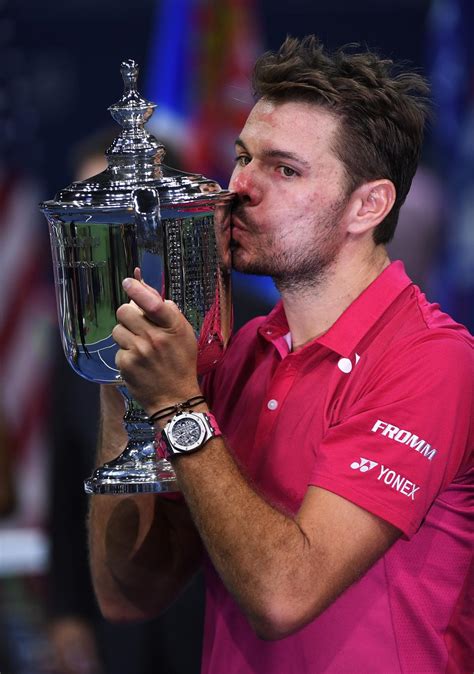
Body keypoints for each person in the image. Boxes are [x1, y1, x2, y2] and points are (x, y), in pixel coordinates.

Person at [88, 37, 473, 674]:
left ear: (367, 205)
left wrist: (178, 403)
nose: (239, 187)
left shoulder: (432, 362)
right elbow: (129, 593)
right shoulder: (242, 353)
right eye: (242, 157)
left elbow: (286, 594)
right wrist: (120, 366)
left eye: (284, 169)